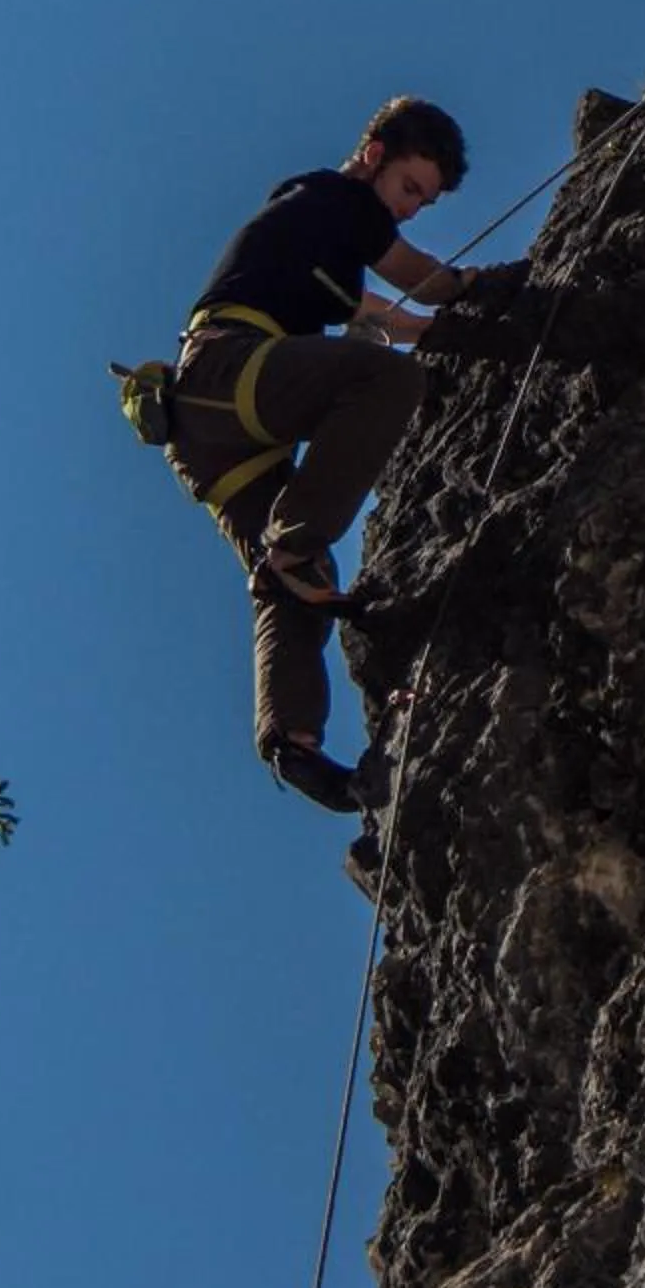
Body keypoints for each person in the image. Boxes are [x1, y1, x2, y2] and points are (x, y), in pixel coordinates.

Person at [168, 96, 472, 815]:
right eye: (409, 189)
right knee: (387, 381)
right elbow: (419, 282)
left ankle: (294, 746)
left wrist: (459, 324)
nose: (411, 210)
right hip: (230, 370)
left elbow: (393, 319)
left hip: (208, 433)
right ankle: (294, 547)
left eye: (425, 201)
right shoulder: (339, 198)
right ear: (373, 157)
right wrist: (478, 288)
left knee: (294, 585)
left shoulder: (316, 238)